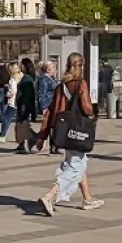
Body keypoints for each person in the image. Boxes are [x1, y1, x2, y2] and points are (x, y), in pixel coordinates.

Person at [36, 53, 104, 215]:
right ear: (81, 66)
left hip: (64, 131)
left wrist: (42, 137)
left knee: (78, 163)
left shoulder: (61, 85)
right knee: (75, 166)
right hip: (78, 131)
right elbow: (87, 108)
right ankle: (49, 196)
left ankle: (88, 199)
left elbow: (51, 111)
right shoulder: (81, 83)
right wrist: (92, 110)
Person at [0, 63, 21, 142]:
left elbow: (13, 91)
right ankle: (3, 135)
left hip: (13, 102)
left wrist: (8, 93)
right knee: (12, 119)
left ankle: (2, 136)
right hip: (18, 101)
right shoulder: (20, 77)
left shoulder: (12, 80)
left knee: (6, 118)